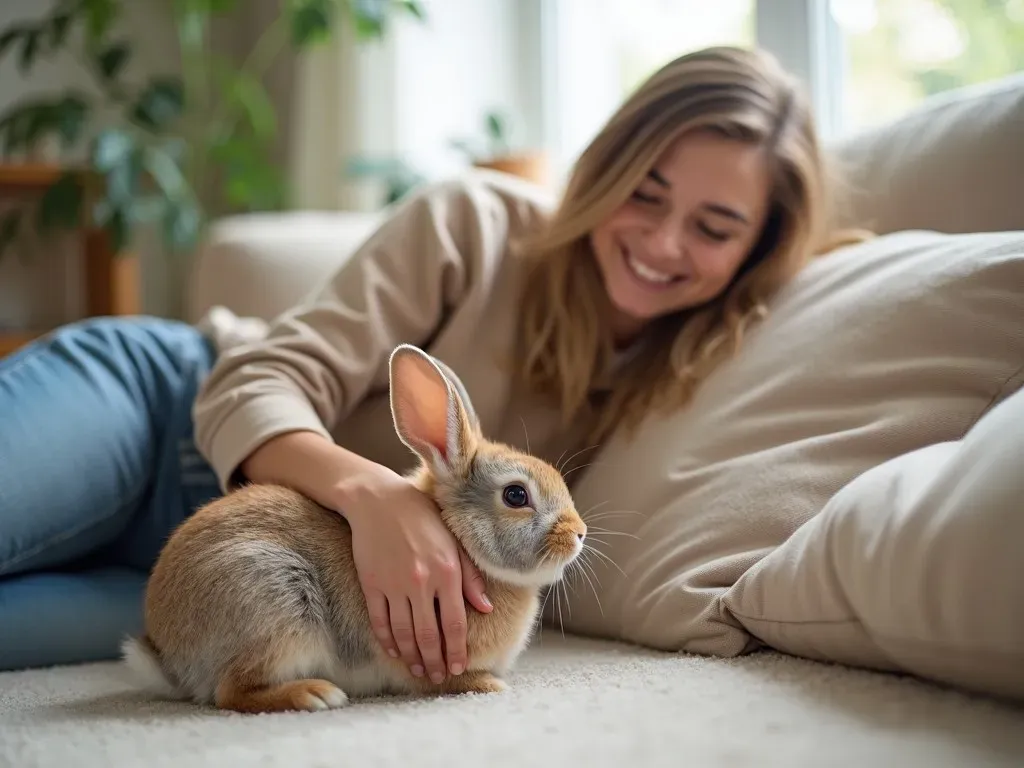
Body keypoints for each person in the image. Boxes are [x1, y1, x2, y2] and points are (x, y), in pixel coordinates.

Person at [0, 45, 863, 679]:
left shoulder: (679, 372)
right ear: (606, 169)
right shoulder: (478, 223)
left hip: (234, 581)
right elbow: (256, 381)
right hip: (161, 415)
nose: (663, 241)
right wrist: (377, 498)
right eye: (645, 191)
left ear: (758, 249)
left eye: (714, 228)